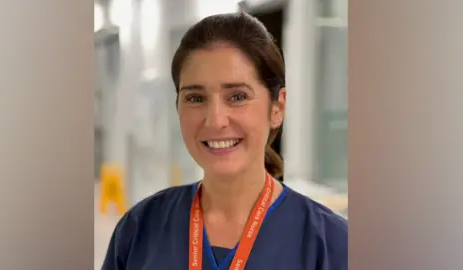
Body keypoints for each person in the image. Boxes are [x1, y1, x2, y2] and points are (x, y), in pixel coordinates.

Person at [102, 12, 347, 270]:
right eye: (196, 98)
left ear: (277, 108)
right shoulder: (139, 230)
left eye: (237, 96)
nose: (215, 120)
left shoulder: (332, 245)